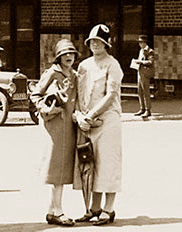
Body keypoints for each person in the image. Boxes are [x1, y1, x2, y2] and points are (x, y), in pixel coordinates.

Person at [74, 24, 123, 226]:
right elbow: (77, 93)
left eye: (99, 41)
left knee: (108, 163)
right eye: (92, 41)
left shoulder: (113, 65)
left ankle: (108, 208)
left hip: (107, 120)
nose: (94, 44)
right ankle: (93, 208)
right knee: (90, 165)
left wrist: (92, 114)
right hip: (86, 122)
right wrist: (79, 115)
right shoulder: (84, 65)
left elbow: (111, 95)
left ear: (106, 44)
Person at [32, 38, 80, 226]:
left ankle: (52, 210)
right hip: (55, 127)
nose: (69, 56)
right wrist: (47, 110)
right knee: (57, 169)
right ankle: (58, 211)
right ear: (58, 57)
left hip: (69, 126)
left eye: (71, 53)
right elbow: (36, 94)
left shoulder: (74, 75)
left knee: (62, 169)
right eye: (64, 54)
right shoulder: (52, 73)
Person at [130, 35, 155, 118]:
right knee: (140, 91)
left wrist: (140, 61)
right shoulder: (141, 51)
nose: (139, 44)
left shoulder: (150, 51)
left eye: (141, 42)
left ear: (145, 42)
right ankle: (142, 108)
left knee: (146, 92)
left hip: (145, 73)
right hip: (140, 72)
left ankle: (148, 109)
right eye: (139, 42)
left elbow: (150, 62)